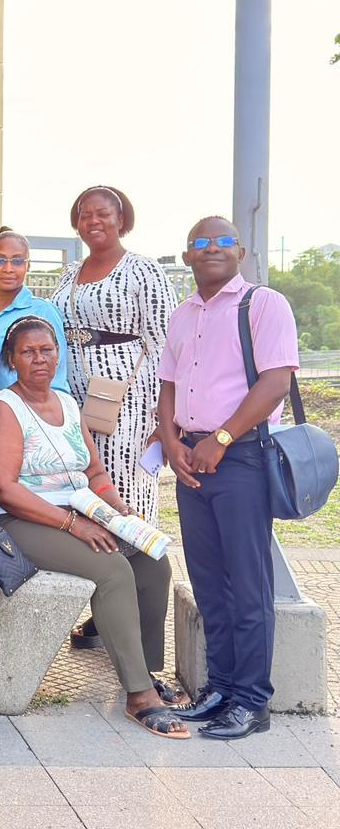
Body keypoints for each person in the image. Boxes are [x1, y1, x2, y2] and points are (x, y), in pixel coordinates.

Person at [0, 316, 187, 739]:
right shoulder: (5, 407)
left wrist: (119, 510)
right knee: (112, 569)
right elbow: (3, 488)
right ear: (11, 359)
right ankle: (138, 696)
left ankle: (145, 671)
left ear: (58, 354)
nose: (39, 359)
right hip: (24, 518)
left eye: (46, 350)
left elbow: (94, 470)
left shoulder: (68, 402)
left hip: (82, 508)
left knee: (153, 560)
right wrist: (73, 524)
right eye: (28, 352)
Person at [161, 217, 299, 740]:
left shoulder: (262, 305)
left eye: (222, 241)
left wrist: (219, 440)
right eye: (200, 242)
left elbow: (276, 381)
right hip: (192, 460)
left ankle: (252, 701)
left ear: (239, 251)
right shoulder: (183, 314)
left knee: (247, 584)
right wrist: (172, 441)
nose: (211, 248)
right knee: (209, 581)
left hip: (239, 456)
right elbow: (169, 385)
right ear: (187, 255)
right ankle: (219, 688)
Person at [50, 186, 175, 650]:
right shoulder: (69, 272)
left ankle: (140, 634)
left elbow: (166, 344)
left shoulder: (143, 269)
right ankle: (107, 611)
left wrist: (166, 417)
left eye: (104, 213)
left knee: (126, 504)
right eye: (84, 215)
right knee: (85, 499)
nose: (93, 221)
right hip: (75, 399)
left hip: (129, 400)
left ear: (123, 219)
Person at [0, 228, 70, 394]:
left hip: (24, 413)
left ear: (28, 265)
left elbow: (57, 377)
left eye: (17, 261)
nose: (8, 269)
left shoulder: (43, 312)